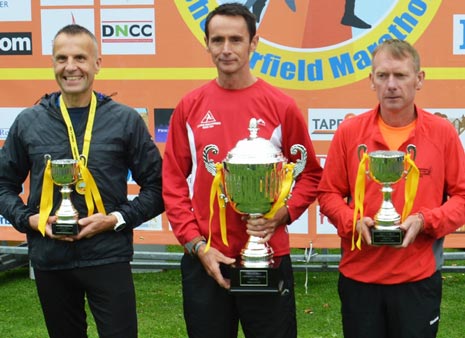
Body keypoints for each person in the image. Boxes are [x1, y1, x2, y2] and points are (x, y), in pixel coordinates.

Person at [162, 3, 322, 338]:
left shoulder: (281, 107)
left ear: (254, 43)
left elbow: (311, 175)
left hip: (268, 257)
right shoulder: (190, 107)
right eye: (217, 40)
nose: (226, 49)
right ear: (206, 44)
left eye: (236, 39)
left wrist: (282, 213)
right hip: (206, 259)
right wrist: (196, 245)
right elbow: (174, 183)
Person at [0, 24, 164, 338]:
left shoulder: (125, 119)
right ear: (52, 64)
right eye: (61, 58)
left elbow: (158, 187)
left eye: (80, 57)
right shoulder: (29, 121)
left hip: (107, 255)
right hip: (50, 258)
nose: (71, 67)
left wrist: (116, 219)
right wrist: (29, 220)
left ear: (97, 64)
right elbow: (2, 184)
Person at [317, 39, 465, 338]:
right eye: (383, 76)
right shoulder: (349, 132)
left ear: (419, 79)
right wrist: (352, 222)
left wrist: (425, 221)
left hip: (417, 278)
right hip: (360, 277)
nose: (392, 85)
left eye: (401, 75)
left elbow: (462, 198)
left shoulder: (442, 133)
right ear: (371, 80)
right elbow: (328, 194)